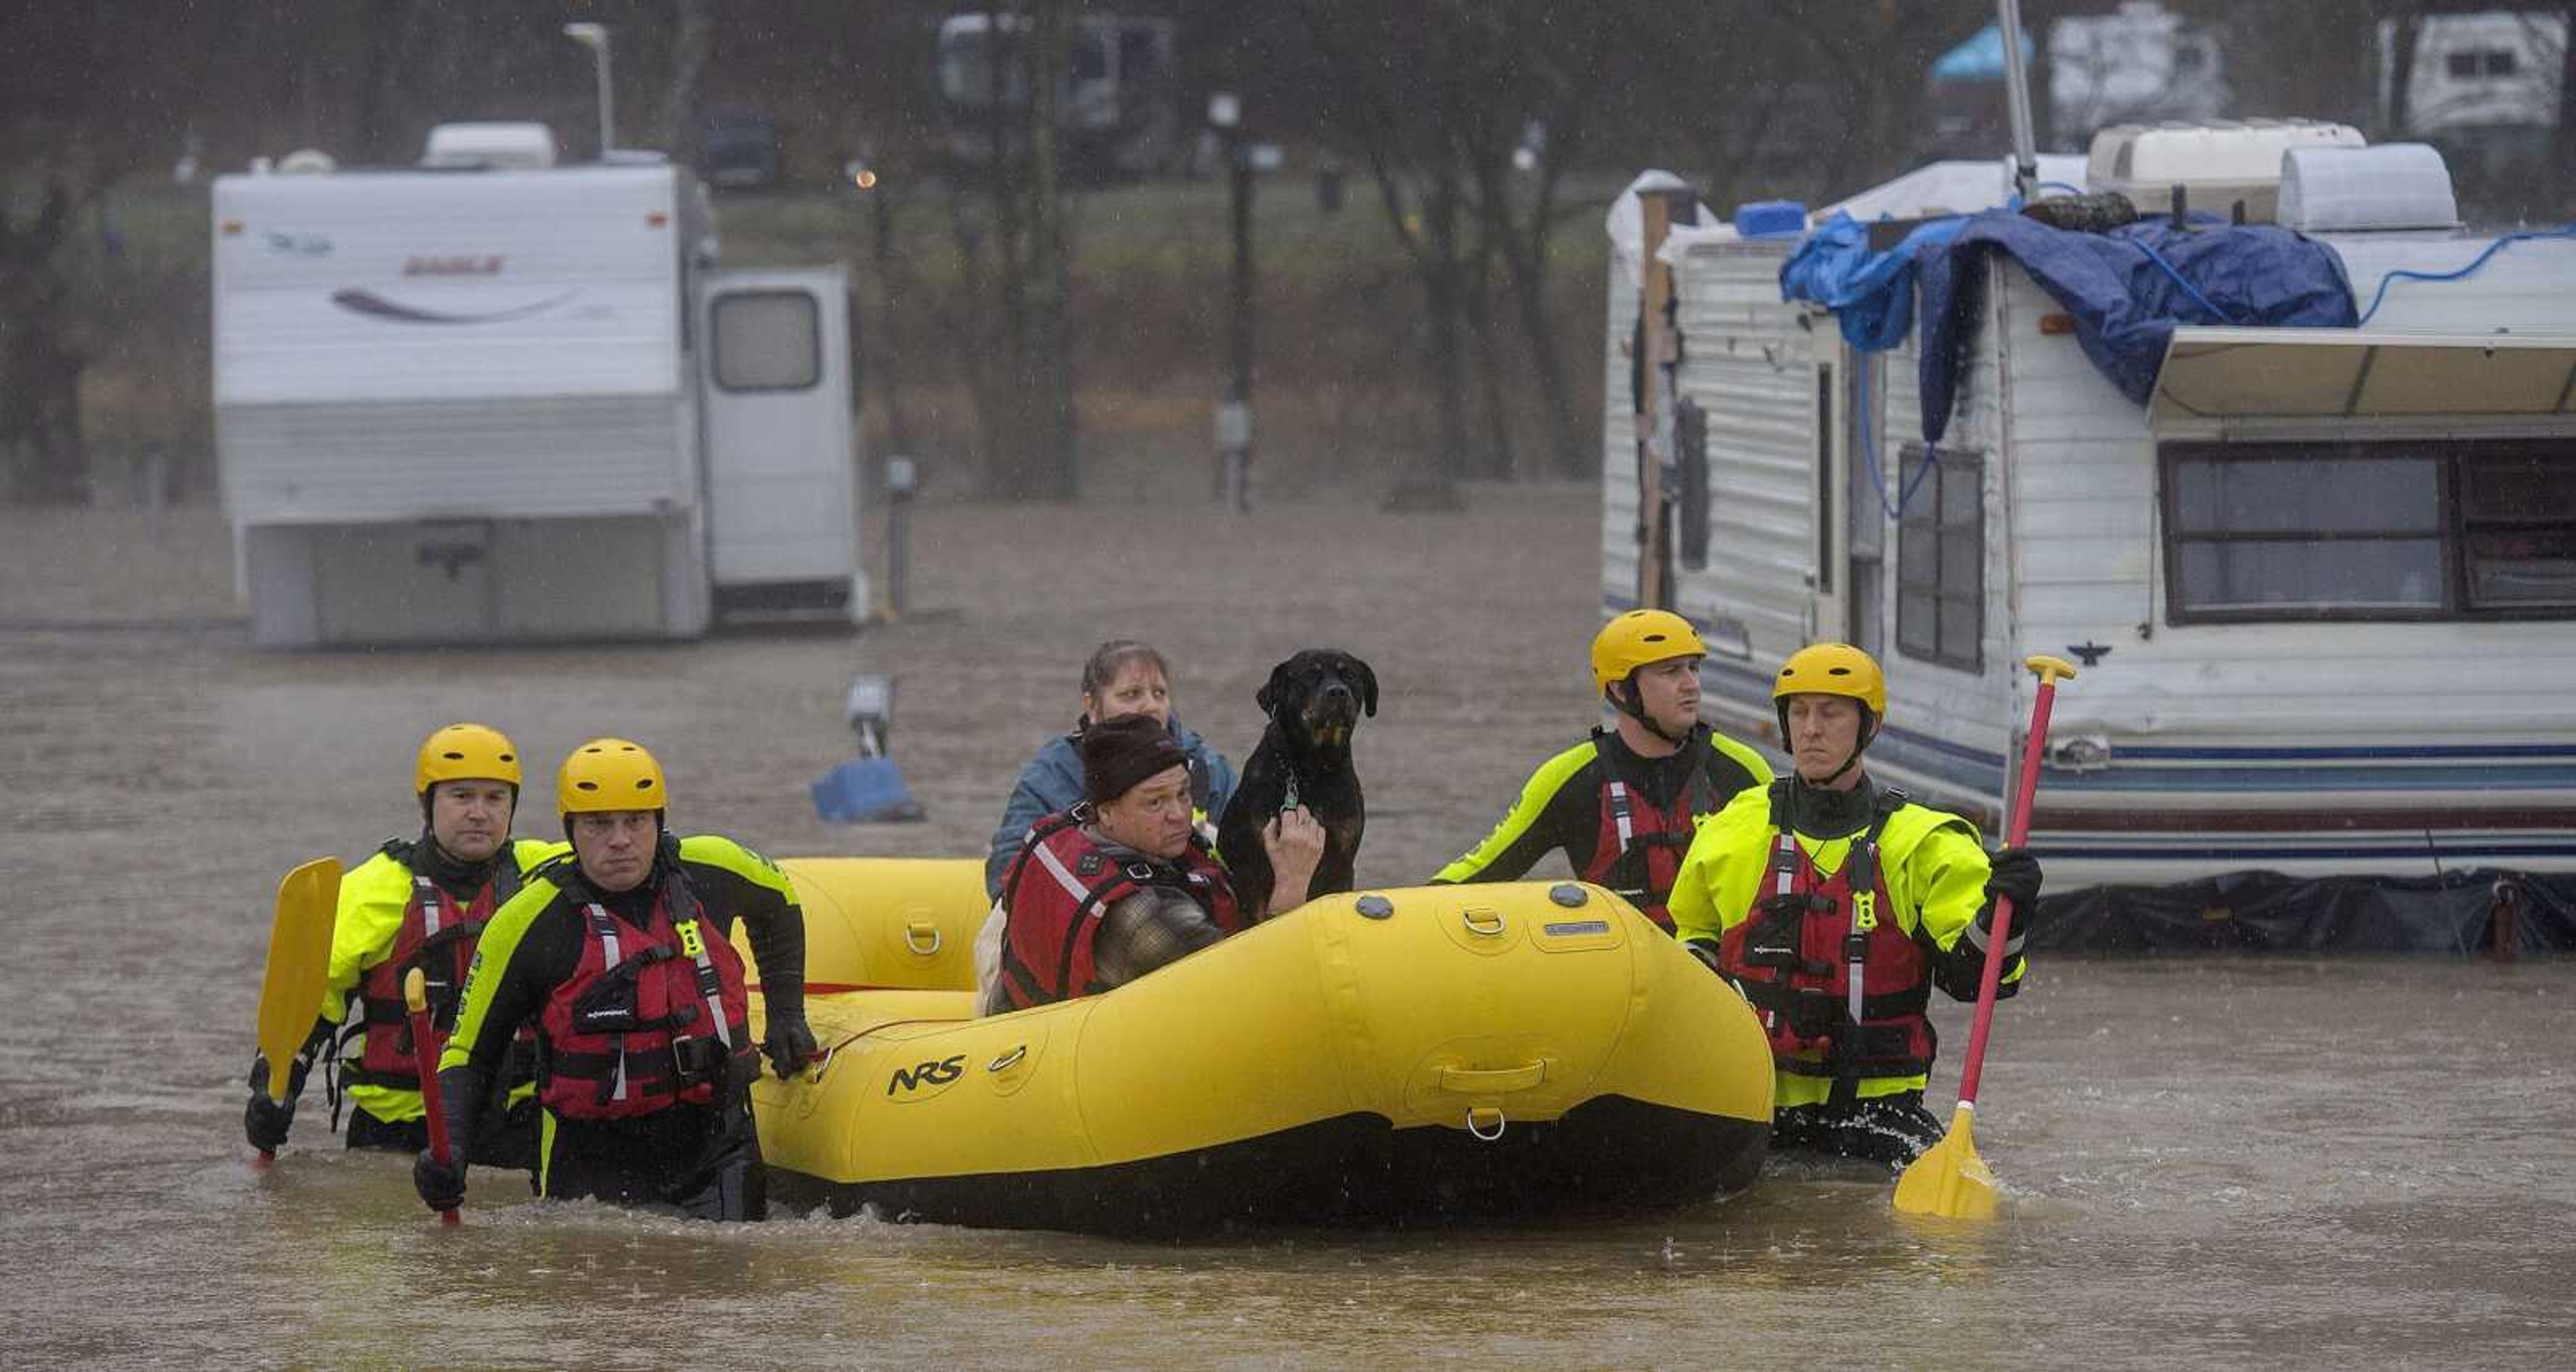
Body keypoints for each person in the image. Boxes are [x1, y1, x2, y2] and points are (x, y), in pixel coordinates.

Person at [1666, 643, 2045, 1167]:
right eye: (1798, 711)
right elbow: (1691, 958)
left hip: (1881, 1114)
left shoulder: (1924, 842)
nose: (1811, 729)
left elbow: (1981, 981)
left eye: (1831, 712)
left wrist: (2011, 912)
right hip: (1753, 1108)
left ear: (1869, 726)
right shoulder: (1734, 827)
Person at [411, 738, 816, 1221]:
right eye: (599, 824)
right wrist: (451, 1147)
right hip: (587, 1159)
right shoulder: (527, 920)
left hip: (716, 1145)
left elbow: (781, 904)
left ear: (659, 821)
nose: (620, 839)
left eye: (636, 821)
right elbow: (469, 1053)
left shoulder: (715, 868)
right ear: (571, 830)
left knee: (727, 1278)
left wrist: (787, 1013)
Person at [242, 723, 561, 1165]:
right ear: (426, 802)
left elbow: (619, 856)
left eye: (495, 797)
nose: (479, 813)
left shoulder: (546, 875)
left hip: (514, 1125)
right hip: (396, 1131)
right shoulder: (370, 890)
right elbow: (311, 1008)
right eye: (462, 795)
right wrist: (273, 1088)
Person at [1431, 609, 1774, 933]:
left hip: (1718, 982)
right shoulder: (1571, 778)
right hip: (1624, 980)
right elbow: (1480, 870)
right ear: (1620, 689)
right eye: (1670, 671)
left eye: (1693, 669)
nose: (1691, 685)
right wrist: (1398, 914)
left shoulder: (1742, 770)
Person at [982, 713, 1322, 1014]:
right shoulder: (1142, 916)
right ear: (1107, 811)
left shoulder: (1076, 826)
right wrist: (1292, 885)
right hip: (1073, 1065)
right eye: (1155, 802)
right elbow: (1253, 996)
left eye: (1184, 794)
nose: (1178, 815)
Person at [984, 639, 1239, 901]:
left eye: (1159, 693)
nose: (1150, 705)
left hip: (1194, 907)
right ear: (1092, 705)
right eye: (1131, 694)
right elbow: (1010, 862)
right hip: (1103, 910)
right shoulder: (1053, 774)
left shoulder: (1206, 767)